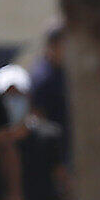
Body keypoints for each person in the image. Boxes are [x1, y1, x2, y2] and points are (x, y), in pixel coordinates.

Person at [0, 65, 69, 200]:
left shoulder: (48, 136)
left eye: (18, 95)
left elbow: (61, 177)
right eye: (6, 96)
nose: (12, 102)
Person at [29, 23, 68, 154]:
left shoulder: (63, 71)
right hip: (55, 147)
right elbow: (38, 115)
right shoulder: (43, 77)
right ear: (52, 46)